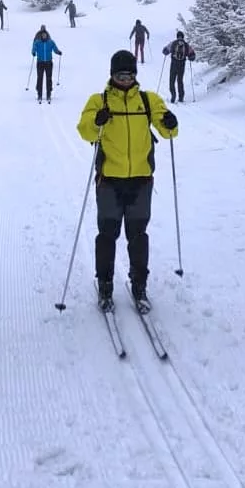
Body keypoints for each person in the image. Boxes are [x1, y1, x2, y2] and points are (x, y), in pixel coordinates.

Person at [77, 50, 178, 312]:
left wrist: (169, 121)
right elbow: (84, 130)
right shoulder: (99, 101)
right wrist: (97, 121)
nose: (125, 79)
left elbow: (168, 131)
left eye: (129, 74)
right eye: (120, 74)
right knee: (107, 235)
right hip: (109, 180)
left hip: (141, 181)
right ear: (112, 75)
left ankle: (139, 285)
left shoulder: (147, 100)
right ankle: (105, 285)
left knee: (138, 235)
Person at [162, 30, 197, 104]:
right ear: (183, 37)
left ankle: (173, 95)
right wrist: (191, 57)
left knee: (172, 80)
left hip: (174, 64)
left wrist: (165, 52)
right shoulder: (186, 45)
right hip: (182, 64)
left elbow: (165, 50)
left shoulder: (173, 43)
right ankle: (181, 97)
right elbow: (192, 54)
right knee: (180, 81)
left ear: (177, 36)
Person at [31, 25, 62, 103]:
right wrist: (33, 52)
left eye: (45, 35)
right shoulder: (38, 41)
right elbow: (34, 47)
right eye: (43, 35)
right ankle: (39, 94)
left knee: (49, 79)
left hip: (48, 63)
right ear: (41, 35)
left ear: (47, 35)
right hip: (40, 62)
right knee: (40, 78)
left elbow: (55, 48)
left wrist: (58, 52)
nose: (44, 36)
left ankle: (49, 94)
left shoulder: (50, 42)